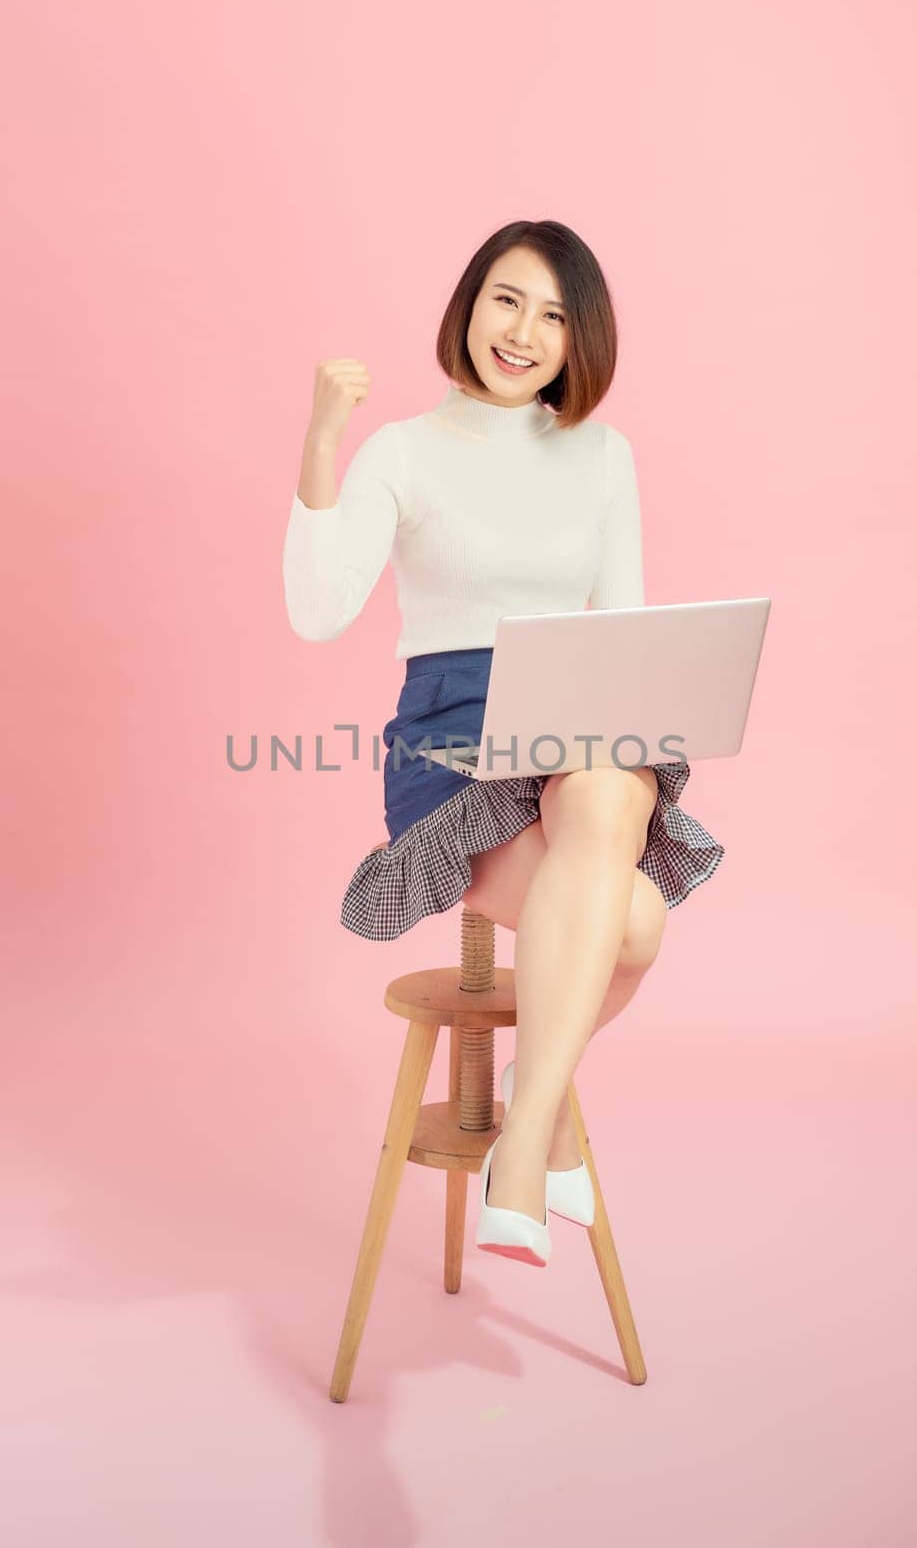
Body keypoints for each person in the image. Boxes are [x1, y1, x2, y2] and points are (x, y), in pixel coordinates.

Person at [282, 218, 724, 1266]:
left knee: (612, 780)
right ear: (470, 305)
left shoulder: (602, 456)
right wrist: (320, 445)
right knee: (638, 922)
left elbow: (621, 633)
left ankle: (519, 1142)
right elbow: (316, 611)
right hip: (447, 738)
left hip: (571, 722)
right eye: (506, 300)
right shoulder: (404, 449)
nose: (523, 331)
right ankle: (539, 1124)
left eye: (555, 315)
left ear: (582, 341)